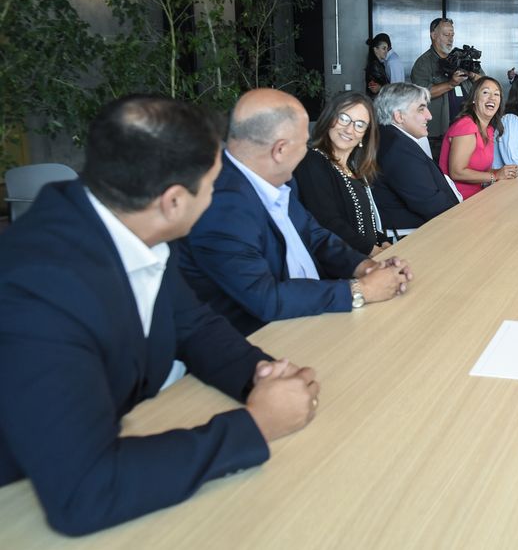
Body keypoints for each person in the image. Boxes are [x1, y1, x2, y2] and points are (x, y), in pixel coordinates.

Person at [0, 95, 320, 535]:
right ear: (173, 201)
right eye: (213, 183)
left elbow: (194, 325)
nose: (217, 194)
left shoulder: (124, 216)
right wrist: (256, 426)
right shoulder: (38, 294)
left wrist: (260, 375)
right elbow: (86, 492)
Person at [179, 88, 413, 336]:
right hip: (274, 335)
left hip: (315, 309)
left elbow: (315, 235)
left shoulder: (279, 179)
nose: (307, 151)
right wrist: (360, 290)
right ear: (280, 150)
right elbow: (265, 298)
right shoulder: (220, 206)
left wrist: (365, 267)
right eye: (303, 143)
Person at [293, 91, 390, 256]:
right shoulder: (312, 161)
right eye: (344, 118)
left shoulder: (353, 168)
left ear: (365, 134)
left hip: (365, 256)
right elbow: (327, 221)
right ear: (329, 118)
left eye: (360, 124)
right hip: (341, 263)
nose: (349, 129)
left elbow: (363, 222)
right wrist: (372, 250)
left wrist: (383, 241)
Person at [371, 82, 461, 236]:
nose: (429, 116)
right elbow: (431, 205)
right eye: (421, 109)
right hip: (417, 235)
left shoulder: (390, 137)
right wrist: (464, 219)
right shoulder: (398, 149)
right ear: (399, 116)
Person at [410, 17, 480, 161]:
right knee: (439, 170)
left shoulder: (460, 58)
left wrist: (472, 75)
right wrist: (450, 84)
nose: (450, 39)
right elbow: (421, 94)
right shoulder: (423, 63)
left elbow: (485, 82)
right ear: (433, 35)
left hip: (467, 130)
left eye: (452, 34)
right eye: (446, 34)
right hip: (438, 135)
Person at [439, 76, 518, 199]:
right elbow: (457, 172)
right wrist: (495, 176)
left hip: (479, 195)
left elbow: (481, 170)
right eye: (485, 92)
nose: (492, 98)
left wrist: (503, 171)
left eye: (496, 94)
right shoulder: (466, 126)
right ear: (474, 99)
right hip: (459, 200)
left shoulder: (489, 129)